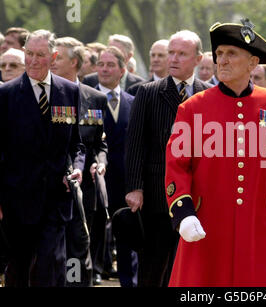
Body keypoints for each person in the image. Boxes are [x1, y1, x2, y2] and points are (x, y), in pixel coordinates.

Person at [163, 19, 266, 286]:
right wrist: (183, 211)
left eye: (231, 54)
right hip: (207, 221)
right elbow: (177, 165)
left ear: (253, 63)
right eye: (219, 54)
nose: (221, 60)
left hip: (261, 224)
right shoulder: (193, 108)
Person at [125, 30, 211, 287]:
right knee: (153, 266)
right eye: (170, 53)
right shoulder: (148, 93)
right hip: (157, 194)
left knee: (190, 266)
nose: (173, 59)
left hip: (199, 195)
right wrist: (134, 187)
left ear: (197, 59)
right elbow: (135, 143)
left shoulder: (209, 96)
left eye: (181, 54)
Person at [0, 29, 85, 287]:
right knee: (19, 267)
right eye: (29, 54)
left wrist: (78, 168)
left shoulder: (69, 92)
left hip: (56, 200)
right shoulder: (7, 95)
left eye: (40, 55)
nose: (33, 61)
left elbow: (76, 143)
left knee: (49, 264)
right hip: (18, 199)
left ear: (54, 57)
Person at [51, 36, 108, 287]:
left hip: (84, 190)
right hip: (52, 188)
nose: (51, 62)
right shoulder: (45, 94)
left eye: (58, 57)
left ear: (74, 62)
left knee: (79, 252)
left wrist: (99, 161)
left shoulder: (94, 98)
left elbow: (98, 141)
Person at [95, 46, 136, 287]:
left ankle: (129, 280)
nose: (104, 69)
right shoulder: (86, 96)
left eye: (110, 65)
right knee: (97, 228)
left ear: (122, 70)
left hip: (125, 179)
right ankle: (95, 271)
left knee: (127, 232)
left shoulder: (134, 100)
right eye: (101, 64)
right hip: (97, 178)